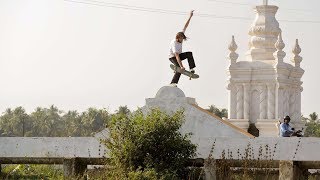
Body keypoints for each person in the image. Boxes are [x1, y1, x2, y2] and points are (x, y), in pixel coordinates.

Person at [169, 10, 196, 87]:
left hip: (178, 55)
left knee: (189, 53)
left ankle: (191, 69)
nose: (182, 41)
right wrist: (181, 66)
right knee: (179, 69)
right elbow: (177, 56)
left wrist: (190, 16)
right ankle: (173, 83)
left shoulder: (181, 35)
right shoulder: (174, 43)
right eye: (181, 39)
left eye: (182, 39)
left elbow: (185, 26)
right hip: (173, 57)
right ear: (178, 38)